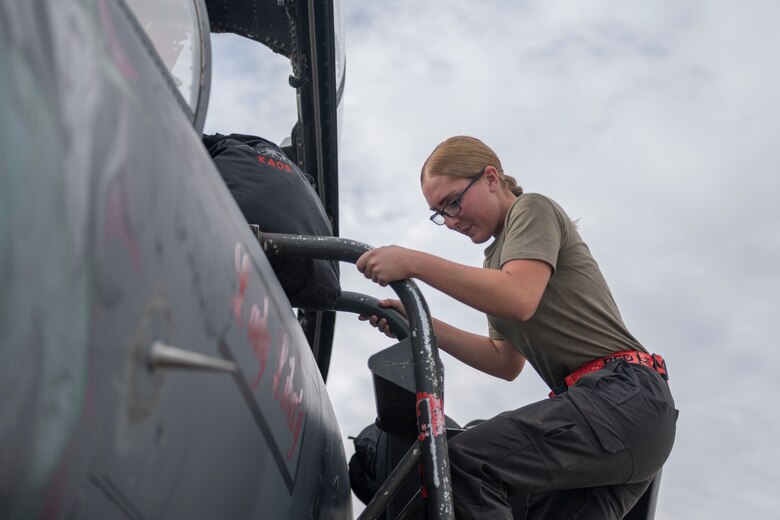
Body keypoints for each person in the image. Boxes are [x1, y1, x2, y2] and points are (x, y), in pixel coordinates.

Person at [355, 136, 678, 519]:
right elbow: (504, 362)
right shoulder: (498, 265)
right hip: (621, 425)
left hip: (623, 398)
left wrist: (413, 262)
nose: (452, 220)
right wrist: (418, 323)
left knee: (463, 463)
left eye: (453, 201)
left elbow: (518, 298)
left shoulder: (532, 209)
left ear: (491, 178)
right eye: (440, 212)